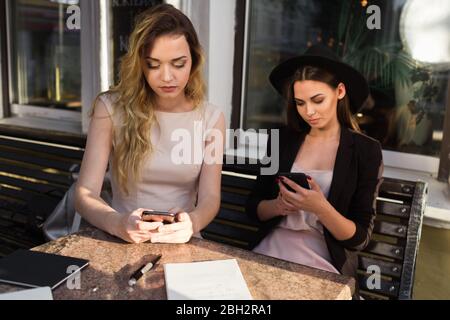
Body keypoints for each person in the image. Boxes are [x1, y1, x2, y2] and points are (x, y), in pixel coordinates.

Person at [74, 4, 225, 244]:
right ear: (140, 64)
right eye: (153, 65)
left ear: (194, 61)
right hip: (122, 239)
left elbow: (210, 197)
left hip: (183, 241)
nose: (167, 77)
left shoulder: (211, 118)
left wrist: (192, 223)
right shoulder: (110, 107)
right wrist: (118, 223)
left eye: (178, 63)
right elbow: (84, 194)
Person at [246, 45, 383, 296]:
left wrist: (320, 207)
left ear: (340, 91)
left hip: (324, 261)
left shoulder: (365, 151)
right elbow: (253, 208)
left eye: (317, 100)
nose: (308, 111)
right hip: (270, 249)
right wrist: (277, 206)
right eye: (300, 103)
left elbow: (360, 237)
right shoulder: (282, 140)